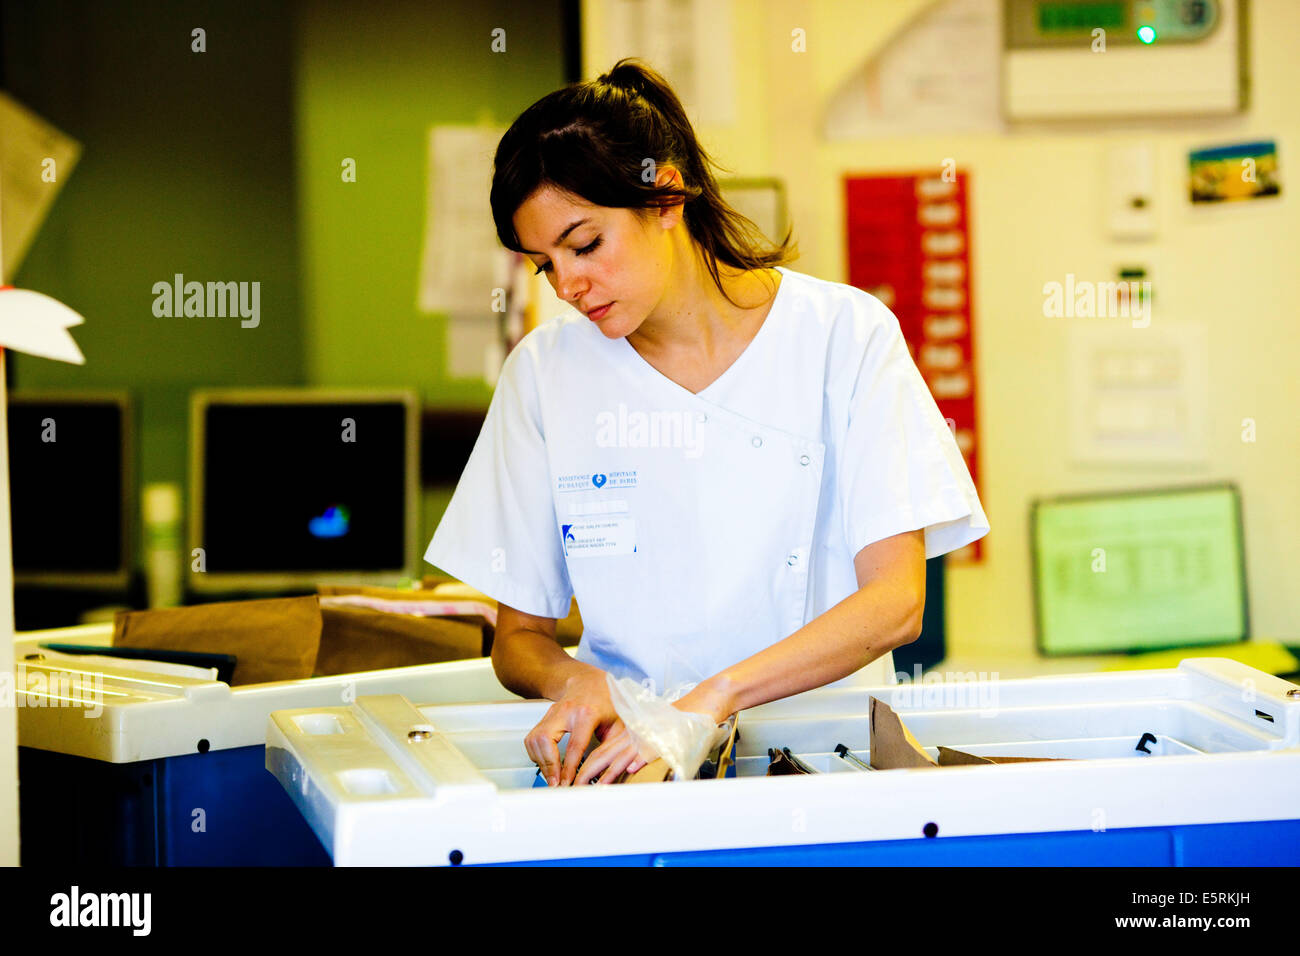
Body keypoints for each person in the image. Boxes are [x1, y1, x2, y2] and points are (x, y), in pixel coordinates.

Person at [426, 58, 989, 788]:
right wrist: (577, 684)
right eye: (543, 266)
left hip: (825, 767)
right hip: (633, 773)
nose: (567, 286)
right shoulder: (544, 374)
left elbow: (894, 603)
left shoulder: (842, 337)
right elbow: (519, 640)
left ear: (665, 198)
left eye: (585, 244)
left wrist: (707, 704)